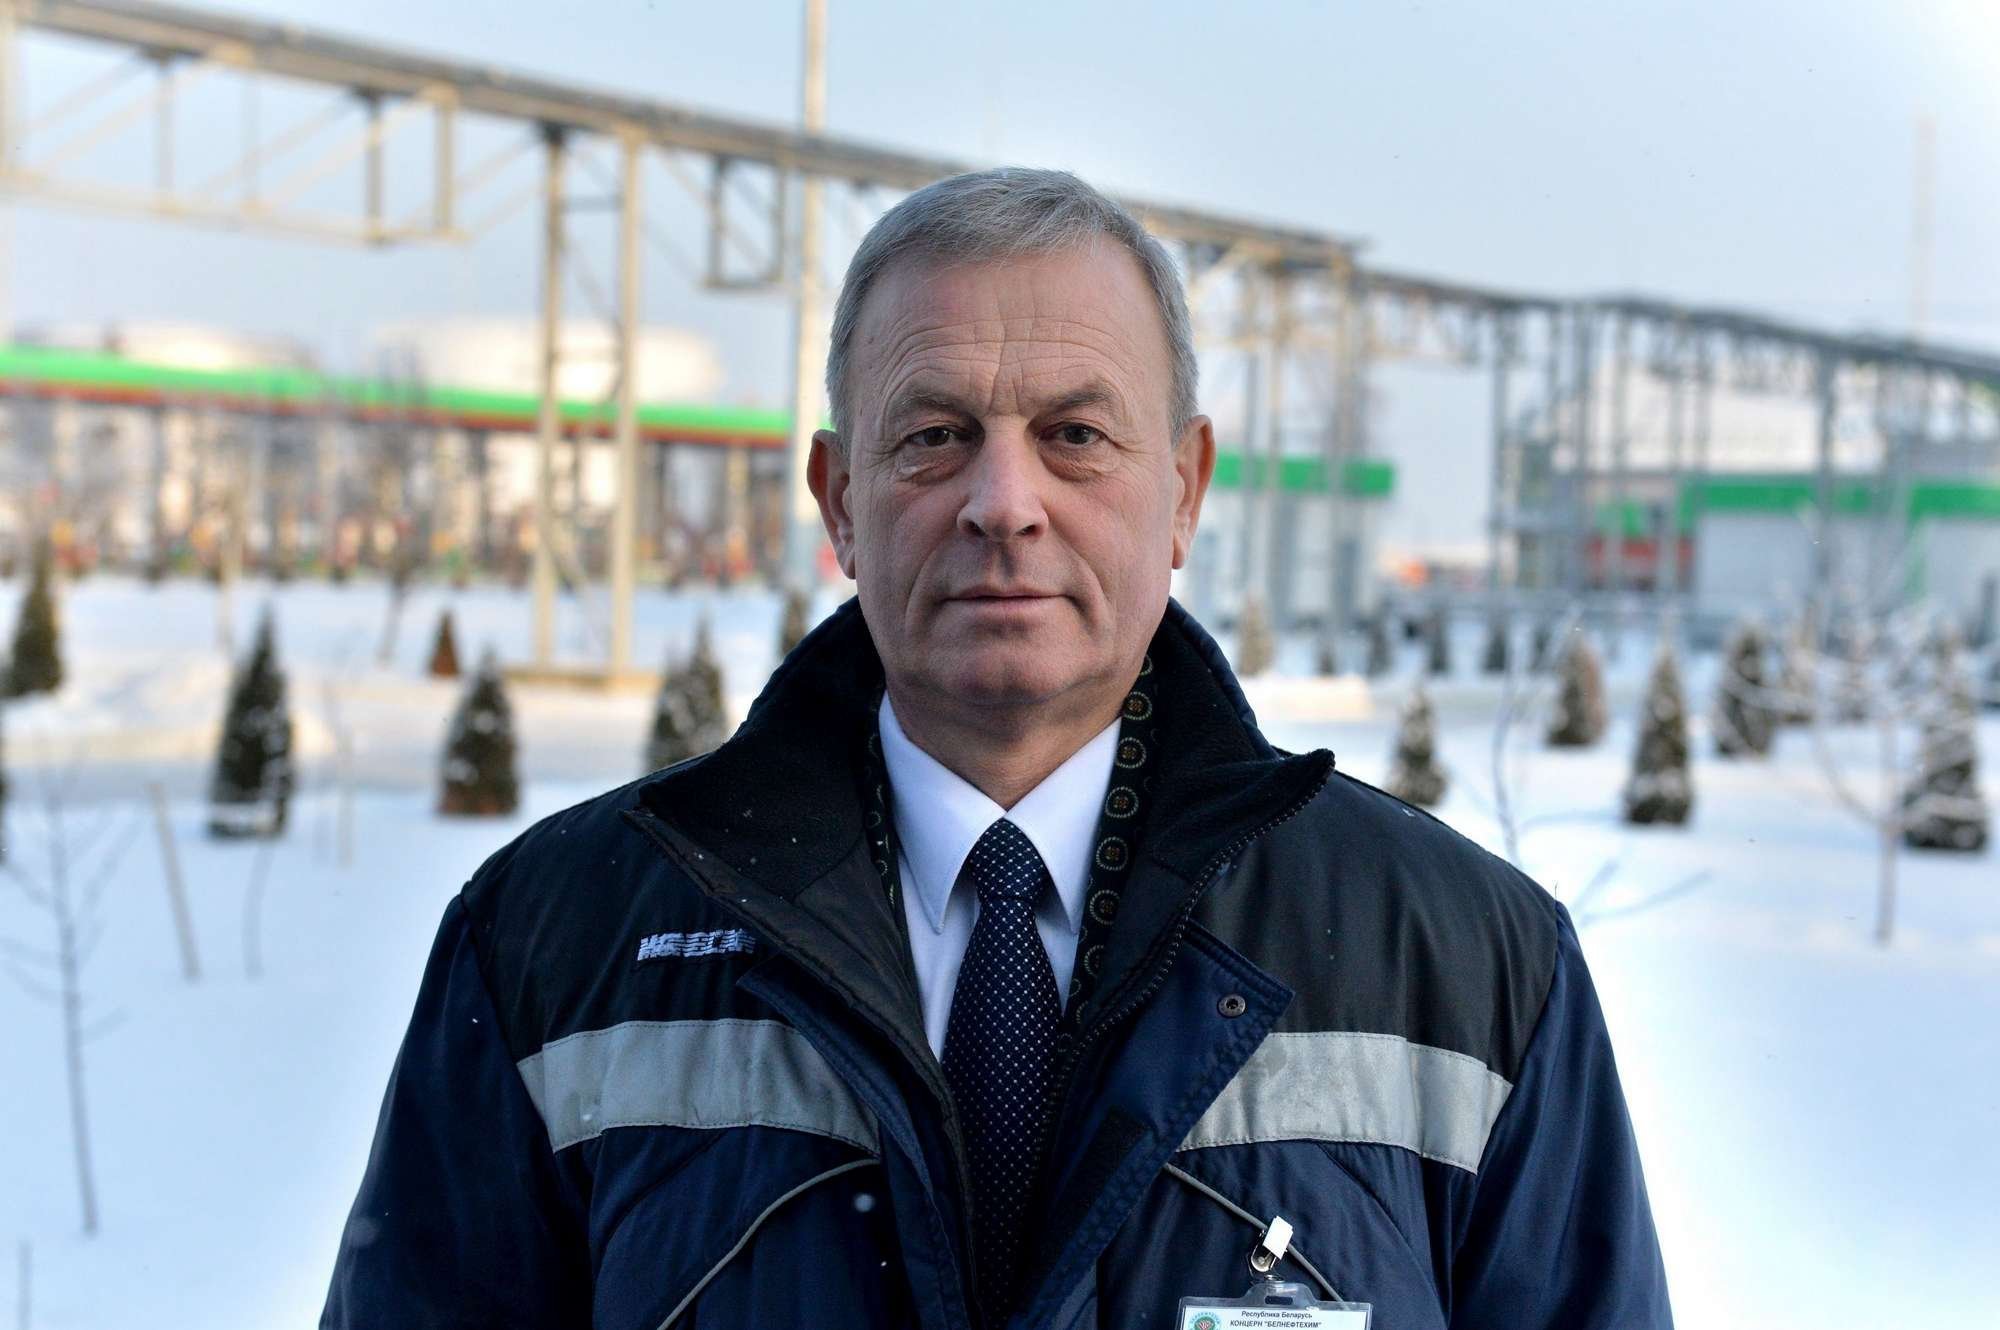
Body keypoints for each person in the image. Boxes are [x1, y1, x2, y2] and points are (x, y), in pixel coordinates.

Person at [320, 167, 1672, 1329]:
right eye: (934, 437)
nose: (1004, 502)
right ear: (839, 501)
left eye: (1075, 436)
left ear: (1185, 489)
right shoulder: (557, 947)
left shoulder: (1466, 970)